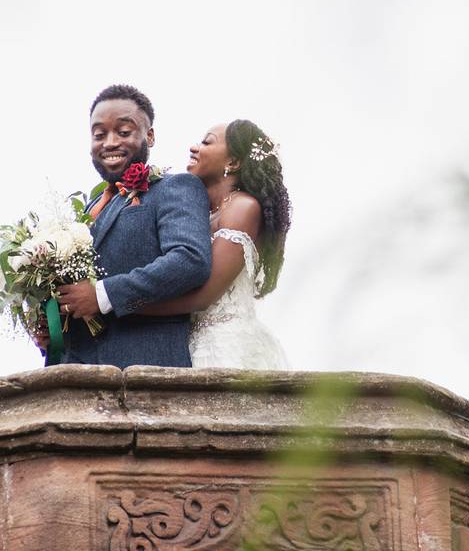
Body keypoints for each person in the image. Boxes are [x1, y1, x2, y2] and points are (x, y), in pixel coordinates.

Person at [49, 84, 212, 367]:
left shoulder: (175, 187)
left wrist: (103, 295)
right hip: (73, 372)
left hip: (142, 368)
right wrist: (53, 324)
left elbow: (190, 259)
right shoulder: (87, 209)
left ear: (149, 136)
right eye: (99, 134)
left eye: (123, 132)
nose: (110, 142)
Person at [138, 119, 291, 369]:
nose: (194, 147)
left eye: (206, 142)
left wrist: (129, 306)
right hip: (189, 344)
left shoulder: (243, 208)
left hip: (227, 348)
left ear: (232, 163)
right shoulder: (203, 214)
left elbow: (203, 297)